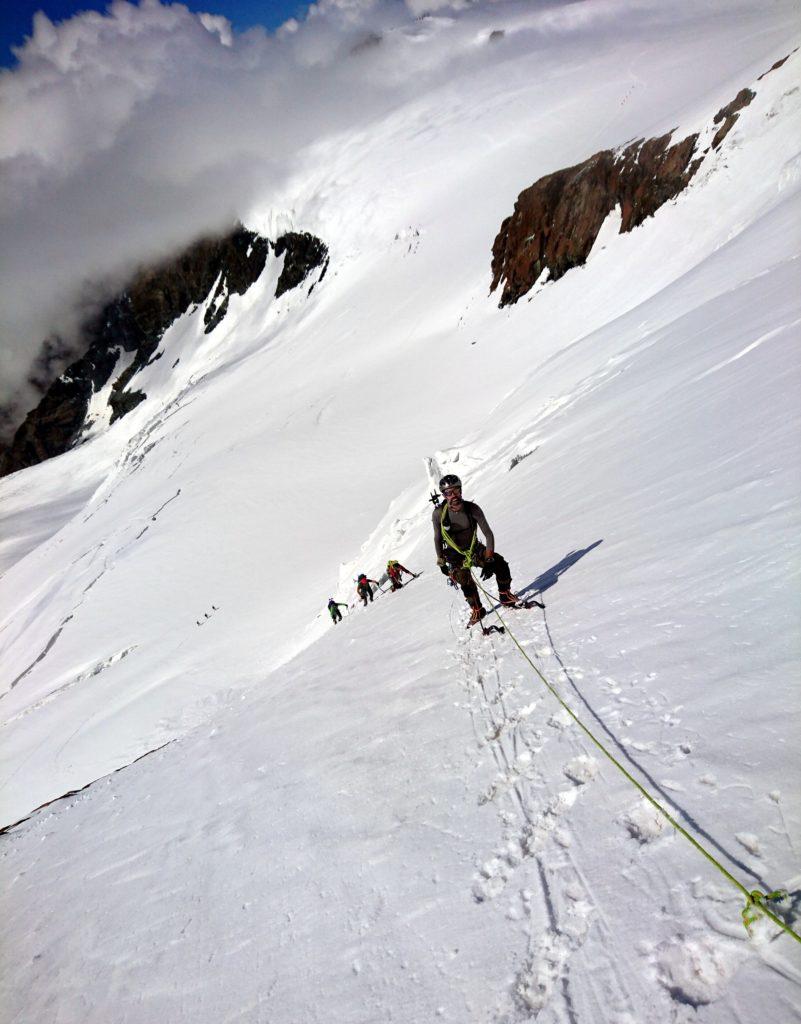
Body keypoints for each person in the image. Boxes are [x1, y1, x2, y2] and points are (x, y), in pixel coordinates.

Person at [432, 473, 518, 625]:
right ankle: (477, 610)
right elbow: (438, 537)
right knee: (465, 581)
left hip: (474, 549)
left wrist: (489, 558)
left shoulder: (472, 509)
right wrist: (441, 561)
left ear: (461, 490)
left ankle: (505, 595)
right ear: (444, 495)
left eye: (456, 491)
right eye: (448, 493)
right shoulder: (439, 514)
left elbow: (488, 534)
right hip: (454, 555)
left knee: (500, 564)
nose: (453, 496)